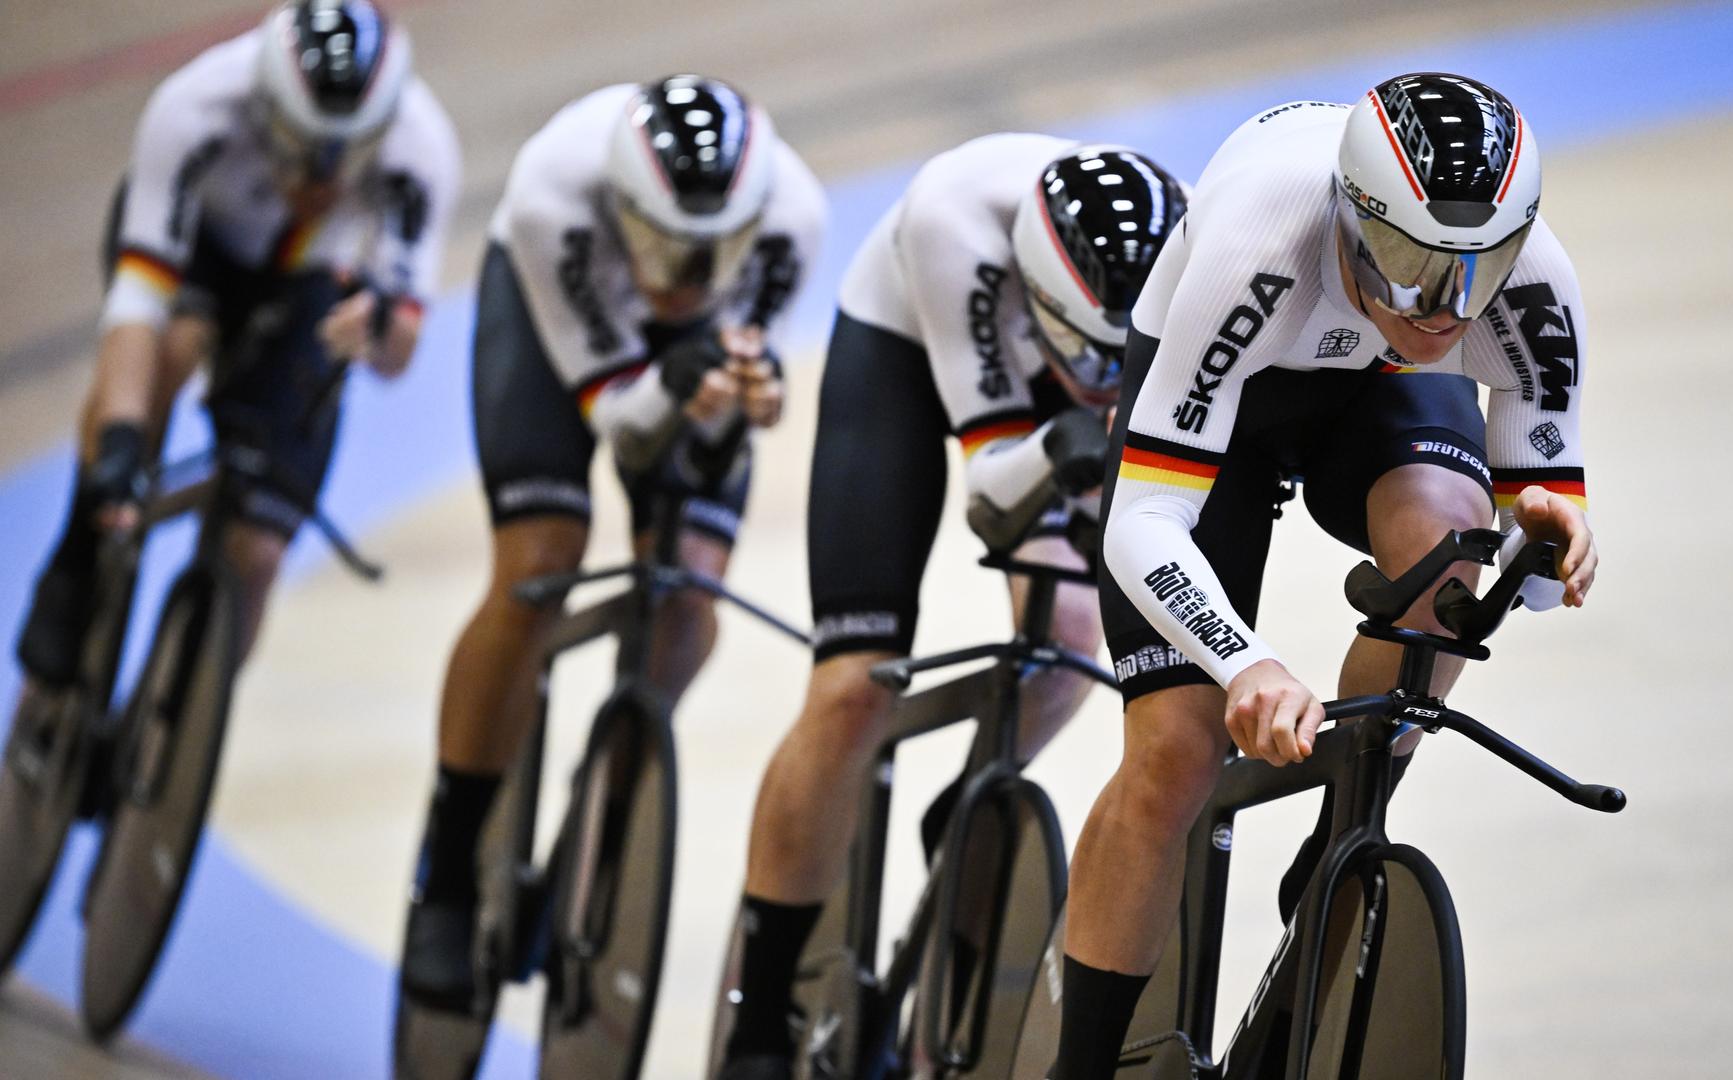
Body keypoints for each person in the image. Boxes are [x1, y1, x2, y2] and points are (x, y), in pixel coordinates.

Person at [1049, 73, 1599, 1078]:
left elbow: (1513, 587)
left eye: (1480, 268)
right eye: (1414, 264)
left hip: (1378, 391)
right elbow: (1143, 524)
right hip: (1230, 391)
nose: (1450, 308)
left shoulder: (1531, 287)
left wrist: (1541, 543)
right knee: (1175, 751)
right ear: (1351, 220)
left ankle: (1350, 813)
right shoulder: (1261, 238)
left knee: (1451, 559)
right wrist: (1244, 664)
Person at [715, 135, 1189, 1079]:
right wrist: (1068, 442)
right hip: (900, 347)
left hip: (1045, 392)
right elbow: (990, 494)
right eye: (1088, 354)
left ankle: (970, 805)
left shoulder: (1183, 249)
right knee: (851, 687)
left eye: (1119, 360)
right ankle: (759, 1016)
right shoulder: (952, 219)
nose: (1105, 376)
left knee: (1065, 633)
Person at [397, 74, 827, 1014]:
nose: (687, 278)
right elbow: (626, 428)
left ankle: (594, 830)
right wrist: (677, 384)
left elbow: (717, 432)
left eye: (714, 254)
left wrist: (733, 404)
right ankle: (450, 866)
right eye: (668, 247)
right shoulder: (557, 189)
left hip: (675, 362)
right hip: (560, 321)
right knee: (540, 563)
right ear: (626, 208)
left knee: (687, 603)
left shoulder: (792, 216)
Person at [13, 0, 458, 707]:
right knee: (172, 352)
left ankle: (174, 726)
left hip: (311, 282)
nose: (323, 177)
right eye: (305, 145)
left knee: (258, 553)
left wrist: (376, 332)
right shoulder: (195, 108)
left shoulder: (420, 147)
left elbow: (399, 352)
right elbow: (139, 302)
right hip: (200, 250)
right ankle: (77, 556)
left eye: (346, 151)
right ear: (267, 107)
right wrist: (123, 440)